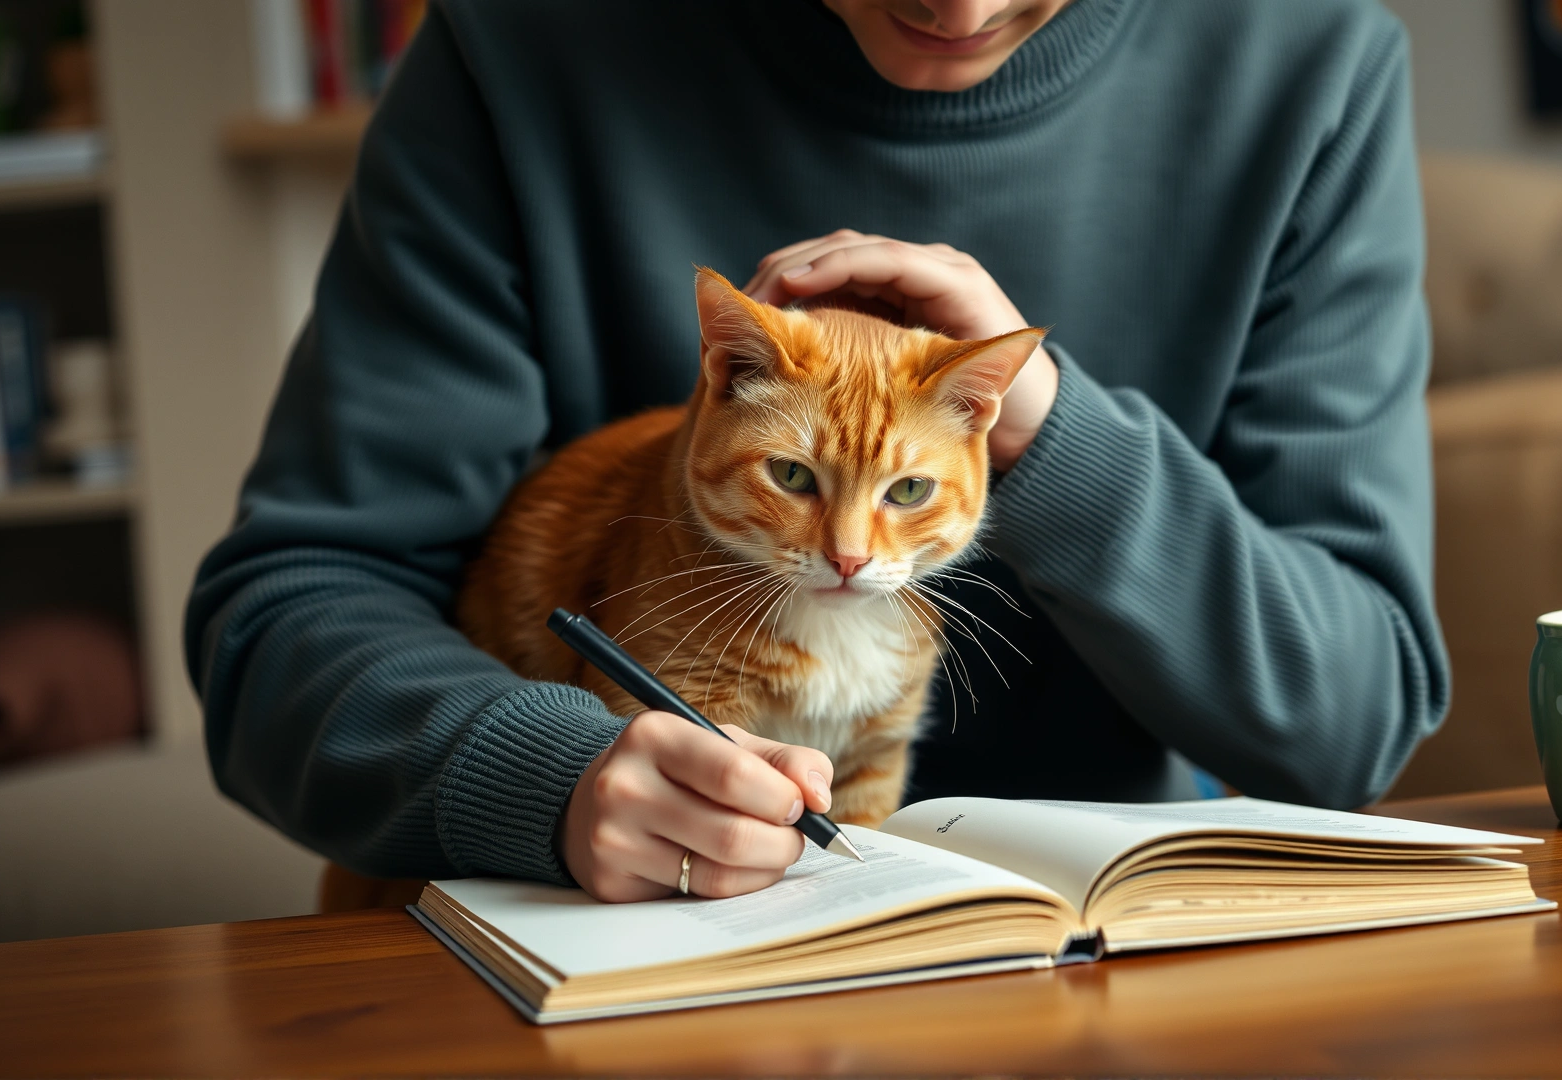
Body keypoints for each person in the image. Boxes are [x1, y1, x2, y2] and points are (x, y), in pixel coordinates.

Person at [186, 0, 1449, 903]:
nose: (961, 7)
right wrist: (546, 778)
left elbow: (1355, 721)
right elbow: (279, 630)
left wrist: (1048, 437)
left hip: (1105, 972)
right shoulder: (514, 45)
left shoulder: (1314, 62)